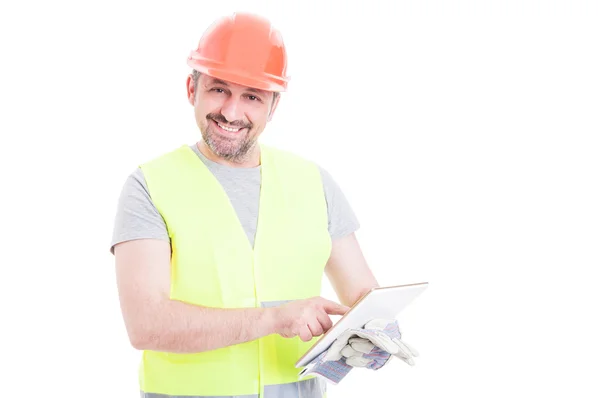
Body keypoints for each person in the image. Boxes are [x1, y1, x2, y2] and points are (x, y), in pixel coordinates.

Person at [111, 11, 418, 398]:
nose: (232, 112)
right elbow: (146, 324)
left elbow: (363, 296)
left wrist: (374, 331)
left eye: (252, 96)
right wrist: (274, 319)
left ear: (273, 106)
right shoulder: (149, 186)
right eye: (219, 89)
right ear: (192, 88)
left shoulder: (315, 183)